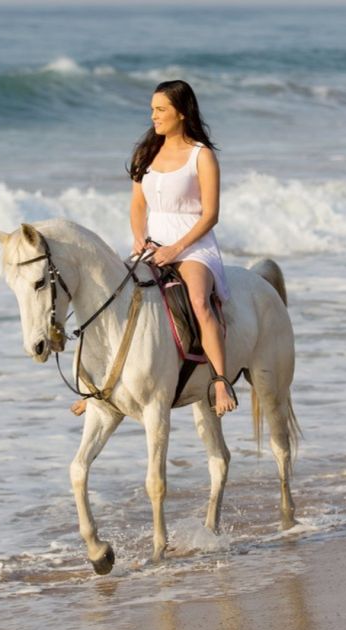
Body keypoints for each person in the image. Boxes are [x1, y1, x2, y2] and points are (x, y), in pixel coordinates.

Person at [71, 79, 236, 418]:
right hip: (152, 244)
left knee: (198, 302)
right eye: (152, 110)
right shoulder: (146, 152)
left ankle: (220, 380)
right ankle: (95, 385)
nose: (154, 116)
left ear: (181, 112)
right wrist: (138, 237)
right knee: (112, 296)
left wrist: (176, 249)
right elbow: (137, 206)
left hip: (191, 246)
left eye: (161, 110)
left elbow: (211, 215)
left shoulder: (201, 156)